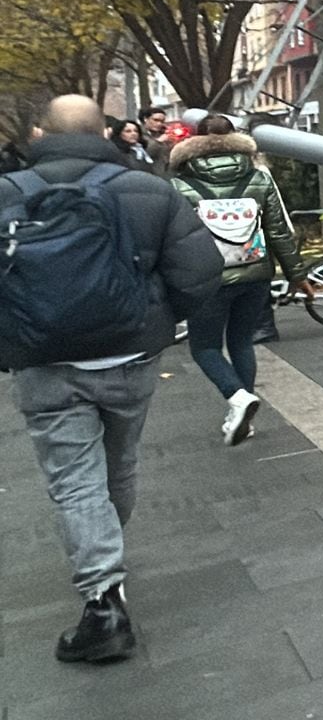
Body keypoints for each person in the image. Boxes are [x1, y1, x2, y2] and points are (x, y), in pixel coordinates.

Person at [2, 95, 222, 664]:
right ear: (104, 131)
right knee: (119, 462)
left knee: (75, 480)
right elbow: (200, 272)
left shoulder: (6, 195)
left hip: (45, 364)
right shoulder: (149, 190)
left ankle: (103, 602)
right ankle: (105, 553)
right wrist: (156, 320)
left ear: (36, 132)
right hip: (129, 359)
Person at [170, 115, 312, 446]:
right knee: (241, 343)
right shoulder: (259, 177)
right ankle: (243, 416)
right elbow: (277, 231)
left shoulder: (177, 184)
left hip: (207, 279)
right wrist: (297, 275)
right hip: (256, 274)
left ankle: (236, 398)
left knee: (205, 347)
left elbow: (173, 238)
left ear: (193, 141)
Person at [138, 107, 171, 177]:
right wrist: (158, 142)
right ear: (145, 119)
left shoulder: (163, 134)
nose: (159, 124)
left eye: (162, 121)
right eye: (156, 120)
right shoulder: (138, 134)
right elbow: (144, 154)